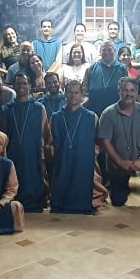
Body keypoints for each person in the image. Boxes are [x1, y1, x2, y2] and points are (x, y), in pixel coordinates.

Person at [99, 78, 140, 211]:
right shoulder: (108, 113)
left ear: (137, 93)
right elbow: (105, 141)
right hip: (118, 162)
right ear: (119, 92)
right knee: (118, 201)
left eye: (132, 90)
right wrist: (120, 162)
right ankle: (121, 187)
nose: (129, 94)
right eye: (125, 90)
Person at [46, 80, 106, 215]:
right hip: (63, 159)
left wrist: (92, 153)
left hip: (83, 161)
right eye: (70, 92)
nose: (73, 95)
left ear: (82, 95)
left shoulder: (92, 117)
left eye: (76, 92)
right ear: (65, 94)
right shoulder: (56, 117)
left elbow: (99, 141)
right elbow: (50, 141)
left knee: (81, 184)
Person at [2, 74, 48, 213]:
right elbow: (4, 135)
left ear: (30, 86)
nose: (21, 86)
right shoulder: (6, 109)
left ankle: (35, 202)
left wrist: (43, 156)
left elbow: (44, 133)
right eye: (18, 83)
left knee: (33, 176)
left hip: (33, 150)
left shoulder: (39, 107)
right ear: (13, 86)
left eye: (24, 83)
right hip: (13, 151)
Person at [83, 41, 129, 115]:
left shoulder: (122, 68)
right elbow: (84, 87)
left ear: (115, 51)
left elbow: (126, 88)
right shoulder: (92, 68)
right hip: (95, 109)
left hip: (116, 110)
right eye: (104, 50)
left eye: (110, 49)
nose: (107, 52)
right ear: (100, 52)